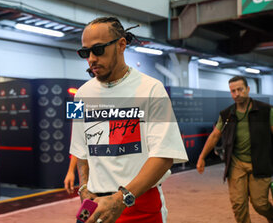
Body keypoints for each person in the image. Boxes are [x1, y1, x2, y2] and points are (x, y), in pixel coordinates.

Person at [70, 16, 188, 223]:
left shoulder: (152, 89)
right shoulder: (80, 95)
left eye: (98, 50)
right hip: (96, 204)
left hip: (138, 203)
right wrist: (84, 186)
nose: (91, 59)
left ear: (121, 44)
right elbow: (81, 149)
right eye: (85, 52)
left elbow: (164, 156)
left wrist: (121, 199)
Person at [196, 76, 273, 223]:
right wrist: (202, 157)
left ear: (248, 89)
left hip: (261, 162)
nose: (236, 94)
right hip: (236, 164)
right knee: (238, 204)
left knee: (260, 204)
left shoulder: (265, 111)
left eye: (240, 89)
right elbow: (214, 136)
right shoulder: (227, 115)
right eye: (233, 91)